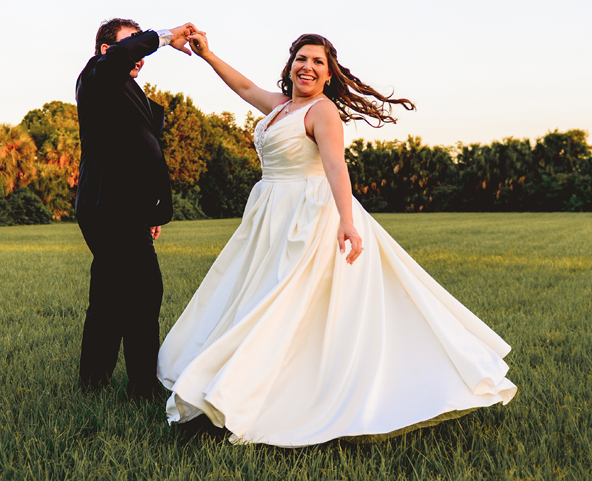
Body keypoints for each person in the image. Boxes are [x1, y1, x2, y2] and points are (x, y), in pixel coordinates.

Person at [158, 32, 517, 445]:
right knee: (253, 298)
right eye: (300, 58)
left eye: (317, 62)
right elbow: (242, 86)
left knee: (283, 302)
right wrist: (207, 55)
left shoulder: (322, 112)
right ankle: (232, 387)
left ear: (329, 75)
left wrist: (347, 221)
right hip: (271, 214)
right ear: (289, 65)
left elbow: (334, 165)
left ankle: (250, 396)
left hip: (308, 215)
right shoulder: (281, 108)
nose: (307, 67)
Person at [75, 18, 195, 401]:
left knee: (109, 296)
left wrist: (152, 212)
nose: (140, 53)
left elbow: (141, 151)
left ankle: (93, 382)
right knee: (145, 293)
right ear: (106, 49)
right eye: (133, 43)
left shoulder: (124, 88)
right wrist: (162, 37)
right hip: (110, 205)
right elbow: (125, 54)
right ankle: (143, 389)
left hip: (126, 207)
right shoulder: (97, 74)